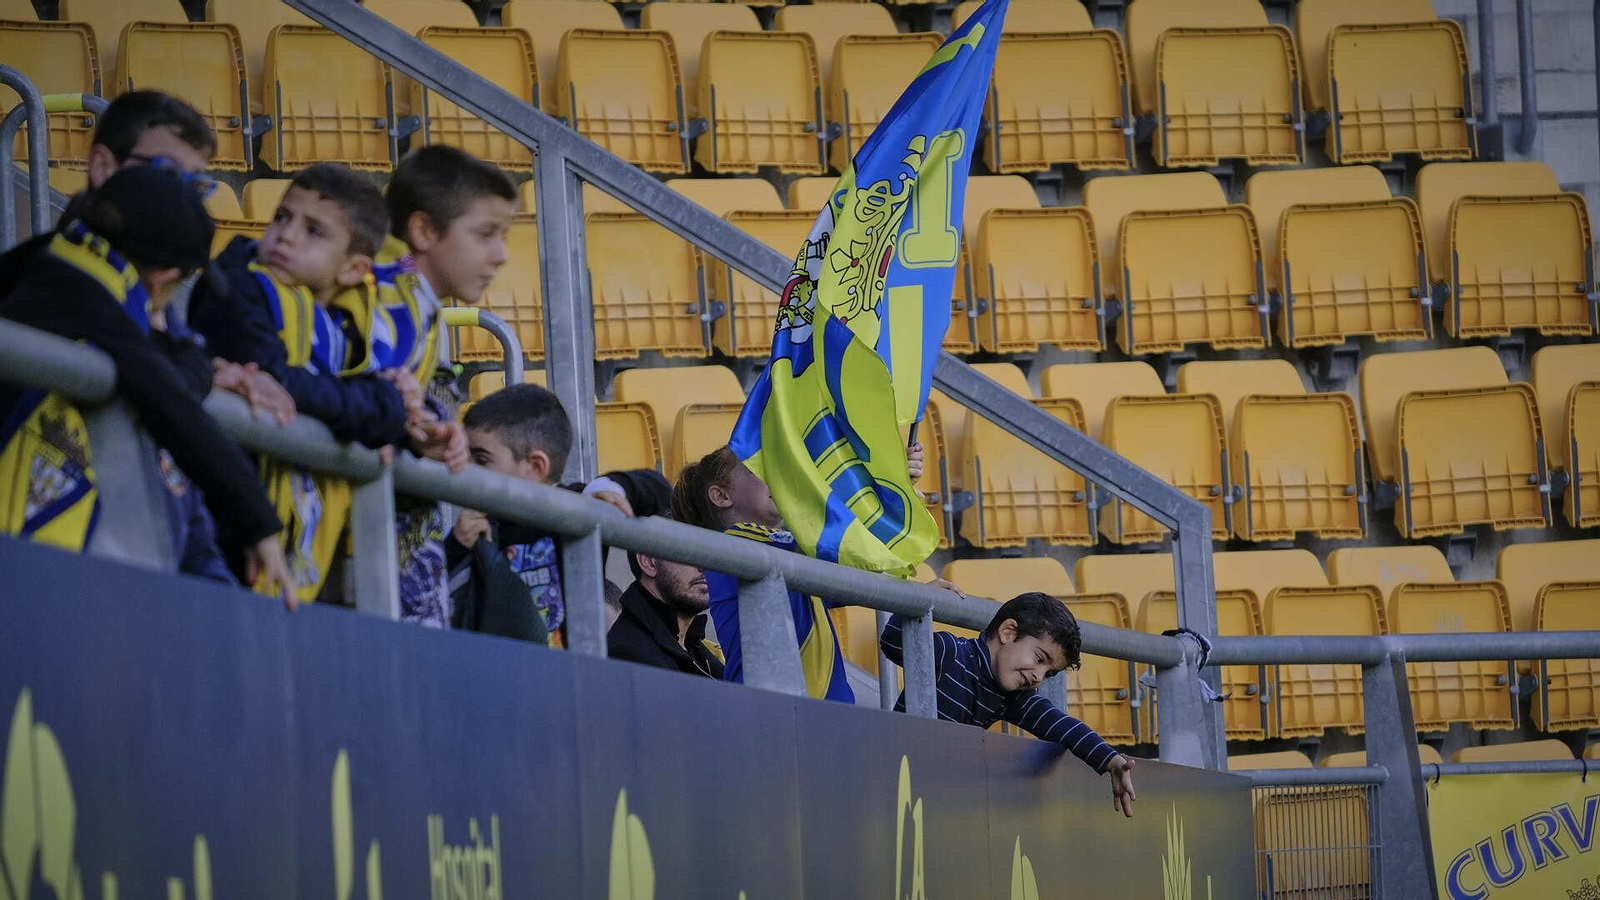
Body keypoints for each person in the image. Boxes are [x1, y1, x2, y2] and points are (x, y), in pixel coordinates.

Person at [0, 165, 296, 607]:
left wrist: (202, 368)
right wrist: (261, 524)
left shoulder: (54, 259)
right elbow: (172, 404)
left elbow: (169, 363)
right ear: (162, 278)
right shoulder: (91, 300)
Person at [193, 163, 465, 604]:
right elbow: (279, 380)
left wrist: (413, 428)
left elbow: (347, 395)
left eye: (314, 231)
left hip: (292, 542)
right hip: (225, 528)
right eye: (282, 216)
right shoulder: (236, 286)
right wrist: (385, 407)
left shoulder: (338, 325)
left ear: (353, 270)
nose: (287, 235)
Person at [354, 146, 517, 626]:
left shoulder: (418, 306)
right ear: (424, 230)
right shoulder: (382, 300)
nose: (501, 255)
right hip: (363, 566)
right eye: (485, 234)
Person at [881, 591, 1138, 818]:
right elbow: (892, 642)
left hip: (933, 800)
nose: (1039, 676)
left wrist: (1110, 760)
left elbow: (1060, 725)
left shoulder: (1010, 697)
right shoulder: (952, 652)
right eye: (1039, 658)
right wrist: (923, 596)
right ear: (1008, 632)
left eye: (1049, 673)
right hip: (893, 786)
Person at [448, 383, 670, 643]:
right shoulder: (476, 526)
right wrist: (456, 546)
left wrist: (607, 488)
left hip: (569, 673)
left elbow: (660, 489)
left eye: (482, 460)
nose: (468, 470)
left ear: (535, 466)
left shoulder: (577, 506)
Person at [607, 518, 724, 678]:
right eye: (689, 552)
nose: (703, 566)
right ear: (649, 562)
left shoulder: (694, 648)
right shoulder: (632, 654)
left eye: (707, 554)